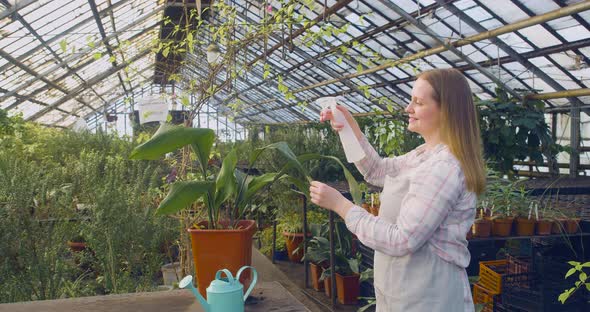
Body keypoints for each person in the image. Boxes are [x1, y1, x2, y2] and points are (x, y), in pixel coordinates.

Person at [309, 68, 486, 312]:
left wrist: (342, 206)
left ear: (446, 111)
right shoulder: (424, 155)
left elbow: (403, 239)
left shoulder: (444, 167)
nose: (408, 108)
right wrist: (349, 127)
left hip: (429, 296)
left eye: (418, 102)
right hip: (406, 290)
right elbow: (378, 171)